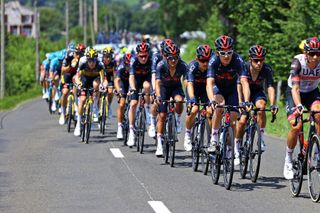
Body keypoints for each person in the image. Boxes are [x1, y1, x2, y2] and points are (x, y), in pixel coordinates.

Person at [283, 37, 320, 179]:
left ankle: (316, 150)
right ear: (306, 54)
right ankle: (288, 159)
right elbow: (295, 88)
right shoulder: (298, 62)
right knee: (296, 126)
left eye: (318, 53)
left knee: (318, 114)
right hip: (294, 93)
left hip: (312, 93)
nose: (316, 57)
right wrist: (298, 105)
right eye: (312, 54)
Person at [235, 45, 278, 165]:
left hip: (257, 92)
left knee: (262, 107)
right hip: (243, 92)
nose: (259, 63)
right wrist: (243, 102)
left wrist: (273, 104)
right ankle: (236, 145)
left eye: (261, 60)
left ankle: (261, 137)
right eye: (256, 60)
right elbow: (243, 84)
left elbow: (270, 87)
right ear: (250, 59)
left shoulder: (267, 69)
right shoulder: (244, 67)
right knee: (242, 120)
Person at [206, 35, 246, 153]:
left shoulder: (238, 60)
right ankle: (213, 139)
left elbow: (244, 82)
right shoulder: (213, 61)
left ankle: (229, 147)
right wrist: (212, 99)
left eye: (229, 52)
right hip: (217, 88)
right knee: (219, 107)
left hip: (232, 89)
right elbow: (209, 83)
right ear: (218, 53)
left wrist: (245, 100)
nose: (226, 56)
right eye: (222, 53)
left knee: (233, 120)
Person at [155, 40, 188, 156]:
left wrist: (189, 95)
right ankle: (159, 143)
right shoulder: (161, 65)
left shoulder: (183, 65)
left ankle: (177, 120)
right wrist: (158, 96)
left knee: (179, 101)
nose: (173, 61)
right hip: (164, 88)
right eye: (170, 58)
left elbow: (187, 81)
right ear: (166, 58)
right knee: (162, 115)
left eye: (175, 58)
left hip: (176, 88)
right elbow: (158, 83)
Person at [184, 44, 213, 151]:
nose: (205, 63)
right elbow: (189, 84)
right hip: (194, 90)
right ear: (197, 59)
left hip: (206, 90)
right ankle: (187, 134)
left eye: (208, 60)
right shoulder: (192, 66)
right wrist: (192, 99)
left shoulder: (212, 66)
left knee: (210, 111)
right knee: (194, 109)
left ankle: (211, 138)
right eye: (202, 60)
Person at [74, 47, 108, 136]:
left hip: (95, 79)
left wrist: (103, 85)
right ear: (87, 60)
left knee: (96, 85)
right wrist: (78, 84)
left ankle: (95, 108)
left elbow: (104, 79)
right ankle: (78, 122)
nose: (91, 63)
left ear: (96, 60)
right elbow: (76, 77)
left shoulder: (100, 65)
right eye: (89, 60)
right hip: (85, 79)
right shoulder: (83, 64)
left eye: (93, 60)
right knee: (82, 99)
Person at [127, 42, 152, 147]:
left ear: (148, 55)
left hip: (147, 79)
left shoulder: (151, 61)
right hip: (136, 81)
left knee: (146, 86)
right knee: (133, 104)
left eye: (145, 56)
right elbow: (131, 77)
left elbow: (155, 76)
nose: (143, 58)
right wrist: (132, 88)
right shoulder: (133, 61)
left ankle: (147, 109)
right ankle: (131, 130)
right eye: (141, 56)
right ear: (137, 55)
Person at [149, 39, 173, 138]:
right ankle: (152, 121)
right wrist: (155, 90)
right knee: (156, 101)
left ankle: (175, 120)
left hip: (170, 81)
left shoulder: (174, 56)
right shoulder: (156, 57)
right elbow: (154, 74)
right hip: (158, 81)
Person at [59, 43, 86, 125]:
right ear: (74, 53)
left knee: (78, 89)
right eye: (77, 53)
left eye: (81, 54)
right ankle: (63, 112)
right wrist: (70, 66)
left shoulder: (84, 60)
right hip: (67, 74)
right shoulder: (68, 56)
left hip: (77, 77)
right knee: (65, 92)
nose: (78, 56)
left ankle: (76, 107)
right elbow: (62, 71)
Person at [114, 53, 132, 139]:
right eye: (127, 65)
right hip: (123, 84)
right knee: (122, 104)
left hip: (132, 83)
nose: (129, 67)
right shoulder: (120, 68)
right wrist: (119, 90)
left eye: (130, 65)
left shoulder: (135, 67)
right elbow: (116, 80)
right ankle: (120, 126)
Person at [101, 47, 117, 119]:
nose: (107, 59)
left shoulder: (113, 63)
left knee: (110, 92)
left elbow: (115, 74)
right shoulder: (100, 62)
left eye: (109, 56)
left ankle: (109, 105)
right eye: (105, 56)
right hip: (101, 76)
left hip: (110, 76)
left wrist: (115, 86)